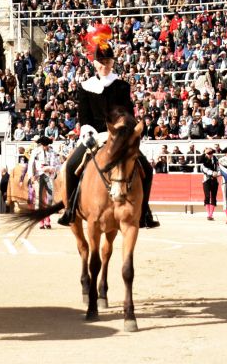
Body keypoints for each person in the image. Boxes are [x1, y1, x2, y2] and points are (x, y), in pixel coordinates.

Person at [58, 25, 159, 228]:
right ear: (95, 64)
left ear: (113, 62)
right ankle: (70, 210)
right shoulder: (85, 87)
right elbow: (84, 115)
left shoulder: (121, 85)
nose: (105, 65)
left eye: (108, 61)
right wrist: (87, 131)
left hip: (118, 135)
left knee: (146, 168)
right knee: (70, 166)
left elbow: (128, 112)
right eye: (101, 61)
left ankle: (144, 212)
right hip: (95, 135)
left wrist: (124, 129)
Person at [28, 136, 59, 229]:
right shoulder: (35, 151)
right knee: (39, 198)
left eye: (46, 145)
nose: (45, 147)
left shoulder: (53, 152)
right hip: (38, 176)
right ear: (41, 144)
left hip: (49, 176)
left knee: (49, 199)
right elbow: (31, 164)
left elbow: (58, 165)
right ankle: (41, 221)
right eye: (44, 145)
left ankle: (47, 219)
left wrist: (52, 169)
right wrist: (31, 176)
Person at [199, 146, 220, 220]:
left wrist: (217, 173)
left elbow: (218, 167)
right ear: (205, 153)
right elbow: (204, 169)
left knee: (213, 196)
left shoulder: (215, 158)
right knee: (207, 196)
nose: (210, 154)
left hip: (214, 179)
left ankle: (211, 214)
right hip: (206, 180)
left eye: (211, 152)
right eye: (208, 153)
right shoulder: (203, 159)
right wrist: (212, 173)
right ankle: (208, 214)